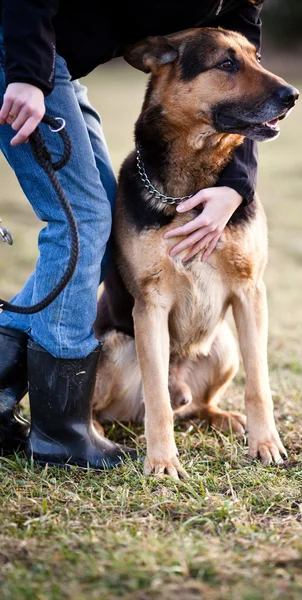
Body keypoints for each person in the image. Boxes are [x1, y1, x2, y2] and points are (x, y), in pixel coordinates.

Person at [0, 0, 262, 468]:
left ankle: (5, 397)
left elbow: (247, 96)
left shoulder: (242, 5)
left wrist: (236, 186)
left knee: (98, 227)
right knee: (83, 220)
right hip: (21, 56)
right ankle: (61, 430)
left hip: (56, 65)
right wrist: (26, 73)